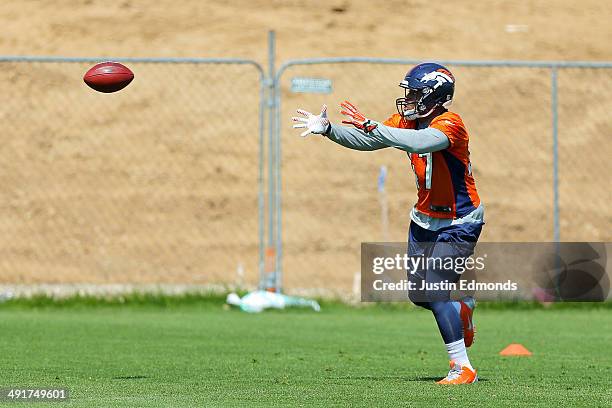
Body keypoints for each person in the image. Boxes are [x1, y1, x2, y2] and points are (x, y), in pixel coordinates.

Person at [292, 62, 484, 385]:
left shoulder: (451, 124)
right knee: (419, 295)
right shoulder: (406, 121)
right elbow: (369, 139)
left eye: (415, 93)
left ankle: (462, 368)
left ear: (435, 96)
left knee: (435, 288)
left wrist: (373, 126)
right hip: (423, 219)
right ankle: (461, 310)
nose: (408, 99)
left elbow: (419, 143)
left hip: (459, 220)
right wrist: (328, 130)